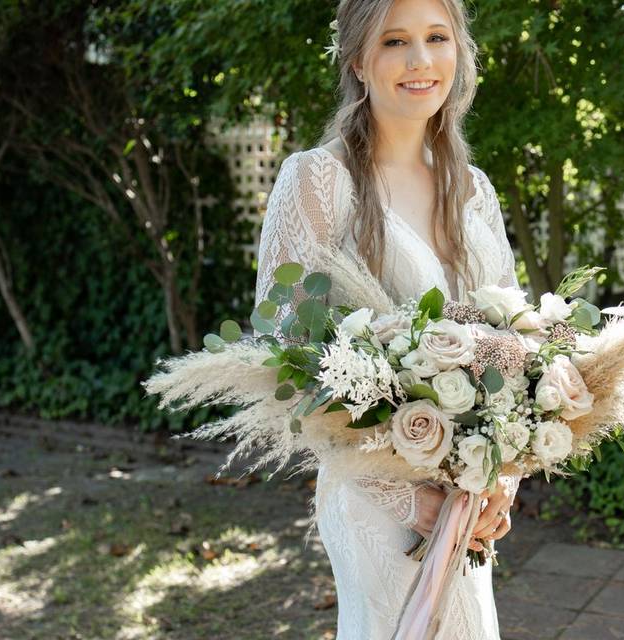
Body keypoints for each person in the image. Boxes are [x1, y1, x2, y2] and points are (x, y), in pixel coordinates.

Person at [254, 0, 522, 636]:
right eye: (396, 42)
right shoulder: (318, 181)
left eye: (437, 37)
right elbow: (282, 354)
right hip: (376, 499)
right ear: (358, 60)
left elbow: (518, 341)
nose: (421, 60)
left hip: (467, 496)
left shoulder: (474, 188)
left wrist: (502, 478)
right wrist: (407, 496)